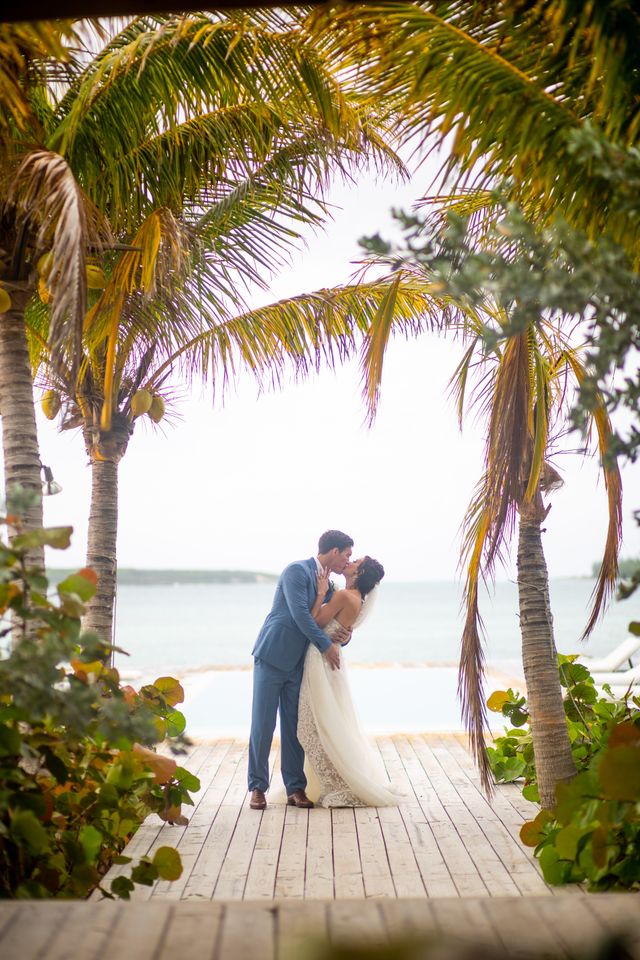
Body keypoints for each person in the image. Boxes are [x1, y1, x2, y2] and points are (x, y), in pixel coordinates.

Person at [247, 530, 354, 811]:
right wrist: (325, 647)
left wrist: (344, 636)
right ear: (333, 552)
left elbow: (327, 618)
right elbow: (300, 615)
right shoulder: (296, 571)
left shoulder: (328, 585)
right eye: (346, 554)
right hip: (272, 655)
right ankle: (257, 788)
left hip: (298, 664)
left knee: (294, 727)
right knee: (263, 725)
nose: (347, 560)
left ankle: (295, 788)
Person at [297, 556, 403, 807]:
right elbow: (338, 628)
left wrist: (321, 592)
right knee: (331, 720)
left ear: (360, 571)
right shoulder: (356, 599)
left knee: (314, 724)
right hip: (332, 659)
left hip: (319, 658)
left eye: (356, 561)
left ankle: (335, 783)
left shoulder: (344, 596)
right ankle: (327, 780)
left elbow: (314, 623)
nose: (350, 561)